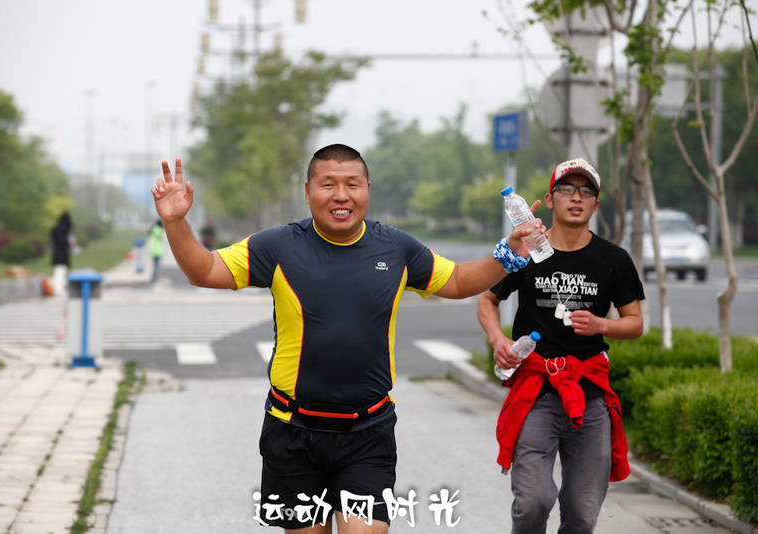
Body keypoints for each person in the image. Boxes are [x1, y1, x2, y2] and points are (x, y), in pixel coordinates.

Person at [152, 144, 544, 534]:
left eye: (352, 184)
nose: (341, 195)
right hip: (292, 431)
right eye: (328, 184)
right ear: (307, 192)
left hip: (367, 433)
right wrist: (175, 223)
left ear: (367, 190)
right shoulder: (277, 246)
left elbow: (456, 280)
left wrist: (507, 255)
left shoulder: (396, 248)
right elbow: (205, 270)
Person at [476, 157, 645, 534]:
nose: (576, 197)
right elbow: (487, 299)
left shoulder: (613, 259)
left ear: (596, 205)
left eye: (586, 191)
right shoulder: (527, 251)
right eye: (567, 188)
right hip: (536, 392)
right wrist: (498, 339)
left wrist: (601, 324)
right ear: (550, 200)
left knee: (582, 513)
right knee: (533, 502)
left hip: (590, 396)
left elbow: (635, 323)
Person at [50, 212, 72, 298]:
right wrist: (68, 244)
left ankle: (59, 290)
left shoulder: (56, 229)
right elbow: (62, 241)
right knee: (60, 272)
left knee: (59, 272)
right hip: (61, 255)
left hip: (57, 253)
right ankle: (58, 291)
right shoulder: (62, 230)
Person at [147, 219, 164, 285]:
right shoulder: (159, 230)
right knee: (156, 267)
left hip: (152, 250)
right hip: (158, 251)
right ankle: (154, 281)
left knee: (154, 266)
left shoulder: (153, 230)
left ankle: (153, 280)